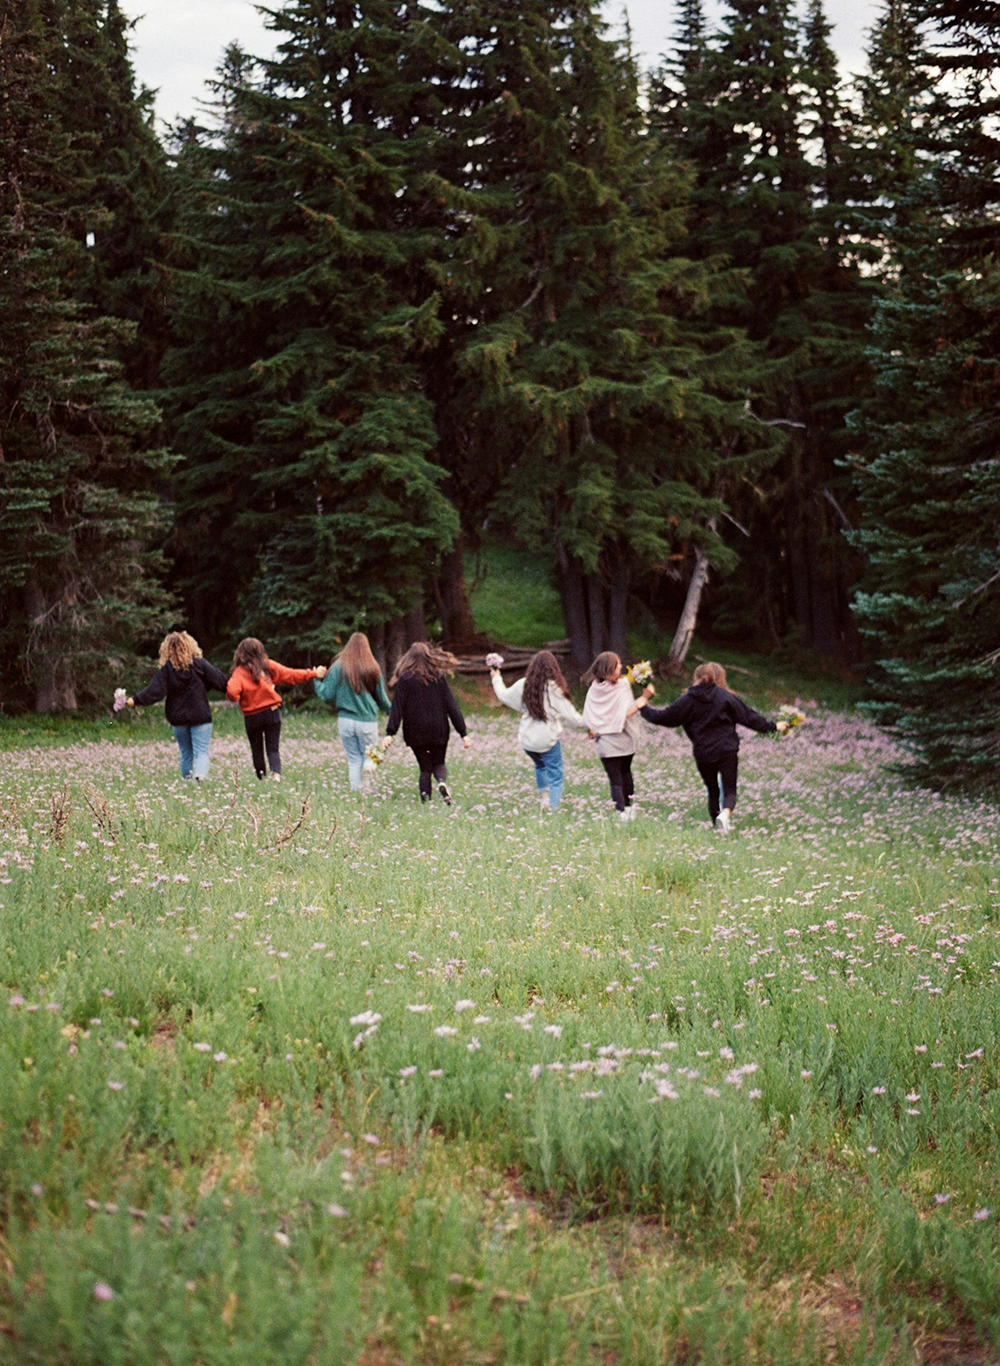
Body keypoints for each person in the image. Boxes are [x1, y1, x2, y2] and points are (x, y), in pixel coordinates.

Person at [640, 660, 787, 831]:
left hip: (704, 752)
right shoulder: (725, 697)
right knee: (729, 788)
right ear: (714, 678)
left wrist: (644, 707)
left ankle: (717, 827)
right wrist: (774, 726)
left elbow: (664, 717)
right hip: (727, 749)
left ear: (695, 678)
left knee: (713, 790)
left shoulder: (687, 699)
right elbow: (749, 717)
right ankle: (725, 814)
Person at [490, 650, 588, 811]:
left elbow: (504, 696)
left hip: (528, 741)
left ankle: (544, 799)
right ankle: (553, 808)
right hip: (548, 740)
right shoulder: (554, 689)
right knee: (556, 775)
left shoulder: (524, 684)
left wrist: (496, 678)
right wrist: (588, 726)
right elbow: (571, 716)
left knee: (540, 766)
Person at [126, 631, 229, 781]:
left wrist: (135, 700)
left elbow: (154, 692)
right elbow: (221, 681)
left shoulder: (166, 670)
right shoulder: (200, 664)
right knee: (201, 752)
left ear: (167, 650)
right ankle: (199, 776)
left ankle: (187, 782)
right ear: (191, 646)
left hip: (178, 718)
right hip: (200, 715)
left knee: (186, 753)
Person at [226, 638, 326, 781]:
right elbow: (291, 674)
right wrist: (313, 674)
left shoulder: (239, 672)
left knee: (257, 749)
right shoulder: (268, 666)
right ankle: (276, 774)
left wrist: (240, 696)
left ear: (240, 654)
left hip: (252, 716)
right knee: (273, 747)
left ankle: (261, 778)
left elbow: (231, 692)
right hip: (272, 712)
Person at [384, 642, 469, 804]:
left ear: (409, 658)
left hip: (415, 731)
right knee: (439, 763)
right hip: (439, 729)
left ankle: (426, 802)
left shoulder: (405, 679)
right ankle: (442, 782)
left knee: (425, 768)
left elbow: (397, 707)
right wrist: (463, 733)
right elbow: (452, 706)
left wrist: (390, 733)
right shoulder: (438, 677)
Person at [314, 632, 392, 791]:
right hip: (367, 721)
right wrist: (395, 712)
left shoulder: (338, 667)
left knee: (354, 759)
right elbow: (382, 699)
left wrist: (316, 679)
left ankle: (357, 794)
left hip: (345, 721)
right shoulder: (372, 667)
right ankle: (369, 770)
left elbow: (326, 694)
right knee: (372, 755)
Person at [582, 651, 655, 820]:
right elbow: (626, 713)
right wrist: (644, 698)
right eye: (618, 665)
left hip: (605, 741)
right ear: (610, 669)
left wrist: (593, 728)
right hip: (623, 738)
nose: (621, 667)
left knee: (615, 779)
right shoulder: (622, 685)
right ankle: (628, 810)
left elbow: (588, 715)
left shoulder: (594, 687)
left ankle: (620, 813)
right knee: (625, 773)